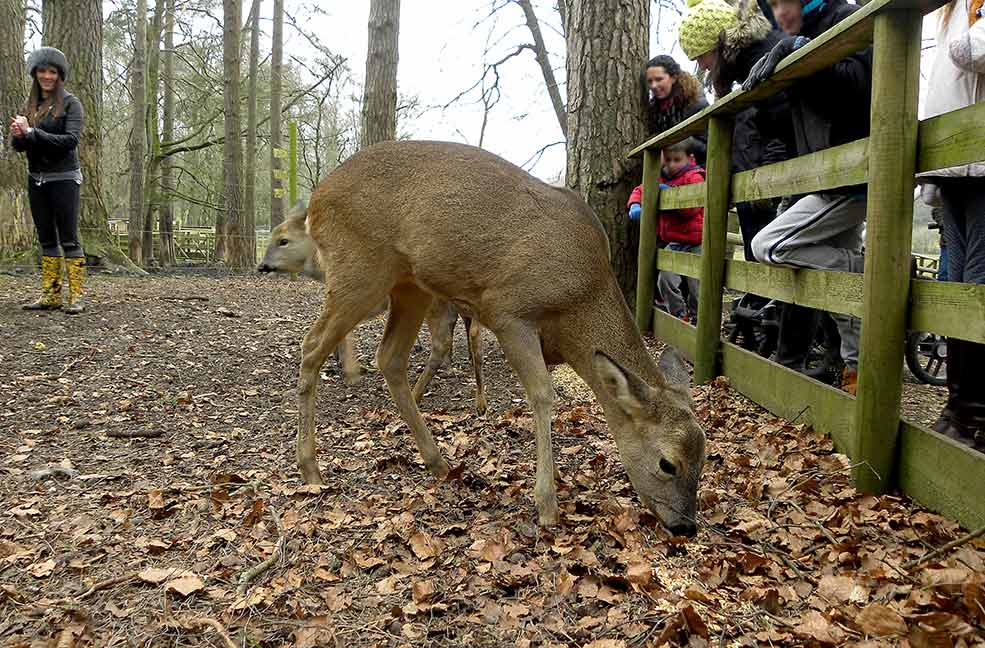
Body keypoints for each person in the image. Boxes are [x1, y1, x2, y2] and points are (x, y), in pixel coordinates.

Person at [742, 0, 872, 395]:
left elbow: (857, 87)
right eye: (771, 4)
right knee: (839, 286)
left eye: (783, 1)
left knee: (769, 245)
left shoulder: (848, 17)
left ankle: (860, 266)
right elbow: (790, 119)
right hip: (824, 175)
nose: (777, 12)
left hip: (853, 175)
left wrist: (802, 50)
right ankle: (858, 372)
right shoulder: (794, 37)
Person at [919, 0, 985, 451]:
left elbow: (973, 52)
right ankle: (959, 407)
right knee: (955, 281)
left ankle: (975, 415)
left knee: (977, 279)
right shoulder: (952, 9)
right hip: (956, 163)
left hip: (980, 158)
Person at [11, 47, 86, 314]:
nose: (46, 76)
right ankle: (51, 295)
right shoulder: (29, 106)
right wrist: (20, 134)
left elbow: (70, 141)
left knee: (69, 238)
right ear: (35, 73)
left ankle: (76, 296)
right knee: (46, 238)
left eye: (52, 71)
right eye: (42, 71)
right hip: (37, 179)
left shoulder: (71, 104)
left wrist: (33, 133)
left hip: (64, 178)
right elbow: (19, 147)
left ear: (59, 75)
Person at [628, 138, 706, 322]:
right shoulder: (662, 176)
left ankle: (698, 320)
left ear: (690, 158)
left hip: (695, 243)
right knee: (665, 280)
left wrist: (669, 195)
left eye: (677, 160)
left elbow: (691, 209)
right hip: (674, 243)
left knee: (696, 286)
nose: (671, 165)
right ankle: (679, 316)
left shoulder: (694, 177)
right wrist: (635, 205)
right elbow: (641, 189)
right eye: (668, 160)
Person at [642, 54, 708, 141]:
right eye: (650, 81)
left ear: (673, 77)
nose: (653, 86)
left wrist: (686, 145)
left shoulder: (695, 104)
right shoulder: (656, 110)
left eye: (659, 79)